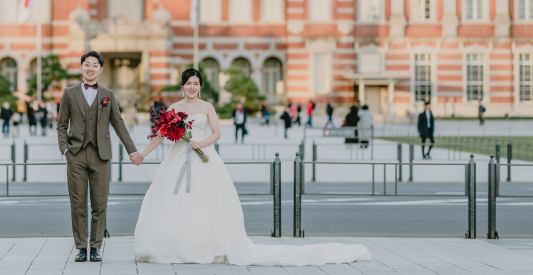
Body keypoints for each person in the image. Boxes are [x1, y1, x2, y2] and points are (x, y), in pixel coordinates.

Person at [133, 68, 370, 266]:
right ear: (182, 85)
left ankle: (203, 244)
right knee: (174, 202)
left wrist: (199, 144)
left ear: (200, 86)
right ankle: (174, 243)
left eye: (196, 83)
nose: (192, 87)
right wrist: (142, 153)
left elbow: (217, 133)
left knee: (204, 203)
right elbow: (160, 136)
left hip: (204, 157)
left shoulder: (207, 108)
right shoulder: (174, 108)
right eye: (188, 83)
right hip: (178, 160)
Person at [57, 50, 141, 263]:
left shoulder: (108, 94)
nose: (91, 68)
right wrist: (65, 150)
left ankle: (95, 247)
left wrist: (132, 150)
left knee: (99, 204)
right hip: (75, 154)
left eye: (95, 65)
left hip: (101, 155)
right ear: (81, 67)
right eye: (87, 64)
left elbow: (119, 123)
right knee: (77, 203)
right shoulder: (69, 93)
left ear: (101, 69)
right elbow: (61, 125)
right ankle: (80, 247)